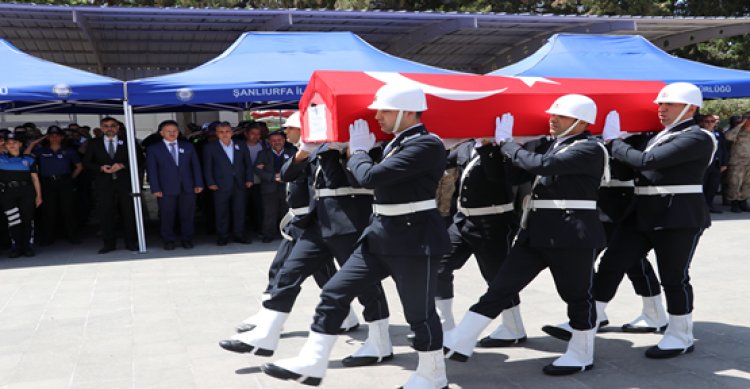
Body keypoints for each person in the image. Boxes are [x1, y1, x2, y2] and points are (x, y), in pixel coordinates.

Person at [261, 83, 450, 388]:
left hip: (415, 240)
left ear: (409, 112)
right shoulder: (396, 143)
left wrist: (358, 152)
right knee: (334, 291)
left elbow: (370, 178)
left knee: (420, 313)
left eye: (385, 110)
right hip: (380, 235)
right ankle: (313, 359)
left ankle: (433, 375)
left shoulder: (427, 144)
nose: (377, 116)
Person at [444, 94, 607, 376]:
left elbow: (541, 166)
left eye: (561, 117)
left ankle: (582, 353)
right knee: (501, 287)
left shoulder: (590, 148)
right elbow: (513, 177)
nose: (552, 120)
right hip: (536, 232)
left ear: (581, 122)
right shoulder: (550, 145)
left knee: (577, 295)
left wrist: (509, 144)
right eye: (552, 115)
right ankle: (461, 339)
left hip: (572, 234)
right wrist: (488, 147)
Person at [221, 132, 388, 369]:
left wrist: (354, 151)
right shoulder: (320, 146)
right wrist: (304, 151)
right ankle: (267, 333)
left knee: (366, 286)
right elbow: (288, 174)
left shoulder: (367, 145)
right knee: (288, 272)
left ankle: (381, 342)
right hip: (318, 221)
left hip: (350, 221)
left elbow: (361, 180)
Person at [595, 82, 715, 359]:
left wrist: (616, 142)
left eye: (669, 104)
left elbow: (648, 161)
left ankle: (680, 334)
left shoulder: (697, 137)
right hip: (643, 212)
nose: (661, 110)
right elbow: (634, 165)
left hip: (679, 216)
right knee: (612, 262)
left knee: (674, 277)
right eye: (660, 104)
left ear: (691, 108)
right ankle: (589, 318)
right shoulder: (660, 135)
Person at [232, 113, 354, 335]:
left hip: (309, 223)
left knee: (285, 270)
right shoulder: (302, 153)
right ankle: (345, 315)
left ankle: (269, 316)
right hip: (301, 222)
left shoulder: (317, 155)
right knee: (314, 271)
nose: (284, 132)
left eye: (290, 127)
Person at [434, 138, 525, 348]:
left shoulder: (504, 146)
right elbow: (444, 162)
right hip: (463, 220)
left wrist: (489, 146)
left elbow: (497, 177)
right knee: (440, 265)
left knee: (497, 277)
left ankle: (514, 327)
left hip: (492, 221)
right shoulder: (466, 145)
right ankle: (444, 326)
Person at [83, 117, 143, 254]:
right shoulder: (94, 143)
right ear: (101, 128)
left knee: (128, 214)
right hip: (104, 184)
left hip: (125, 183)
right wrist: (100, 168)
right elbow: (87, 163)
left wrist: (123, 165)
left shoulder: (128, 142)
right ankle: (109, 244)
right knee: (106, 214)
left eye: (112, 126)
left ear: (117, 128)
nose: (109, 128)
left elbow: (140, 159)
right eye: (106, 126)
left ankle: (131, 242)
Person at [145, 120, 204, 250]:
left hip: (187, 187)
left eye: (175, 131)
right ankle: (168, 240)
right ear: (161, 133)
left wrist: (199, 183)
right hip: (165, 188)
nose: (172, 133)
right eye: (169, 131)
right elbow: (152, 170)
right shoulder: (154, 149)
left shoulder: (188, 146)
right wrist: (155, 188)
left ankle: (187, 239)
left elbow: (196, 166)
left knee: (187, 215)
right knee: (167, 215)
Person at [25, 125, 83, 245]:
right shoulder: (41, 151)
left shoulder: (69, 151)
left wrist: (71, 178)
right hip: (48, 183)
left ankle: (73, 236)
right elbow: (26, 155)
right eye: (51, 136)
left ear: (62, 137)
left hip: (65, 181)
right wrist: (36, 142)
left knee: (68, 210)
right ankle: (48, 238)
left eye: (57, 136)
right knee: (49, 211)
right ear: (48, 137)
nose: (54, 138)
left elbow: (79, 167)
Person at [202, 122, 253, 245]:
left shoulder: (241, 145)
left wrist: (249, 179)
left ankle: (239, 235)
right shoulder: (210, 147)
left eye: (227, 131)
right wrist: (210, 182)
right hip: (220, 184)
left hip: (239, 184)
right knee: (221, 211)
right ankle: (222, 236)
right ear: (216, 133)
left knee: (239, 211)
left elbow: (248, 164)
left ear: (232, 132)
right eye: (221, 132)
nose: (224, 134)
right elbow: (207, 167)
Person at [0, 131, 42, 258]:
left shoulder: (29, 159)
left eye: (14, 143)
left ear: (20, 144)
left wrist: (39, 196)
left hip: (27, 192)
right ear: (5, 145)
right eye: (8, 143)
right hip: (8, 193)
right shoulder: (1, 158)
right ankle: (16, 247)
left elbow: (35, 179)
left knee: (27, 219)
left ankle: (28, 246)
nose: (12, 145)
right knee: (13, 220)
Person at [255, 130, 295, 242]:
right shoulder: (262, 153)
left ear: (284, 140)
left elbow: (296, 168)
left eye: (279, 140)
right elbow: (258, 170)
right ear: (269, 142)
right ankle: (268, 235)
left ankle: (288, 233)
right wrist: (273, 177)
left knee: (287, 211)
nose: (277, 142)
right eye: (273, 140)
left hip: (287, 186)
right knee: (269, 212)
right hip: (269, 187)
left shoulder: (292, 152)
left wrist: (284, 176)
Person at [699, 114, 728, 213]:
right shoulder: (699, 133)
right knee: (703, 185)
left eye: (712, 121)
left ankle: (709, 205)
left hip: (716, 164)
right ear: (702, 123)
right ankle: (701, 207)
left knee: (713, 186)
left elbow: (724, 149)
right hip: (704, 164)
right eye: (707, 121)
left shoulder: (718, 134)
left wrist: (724, 163)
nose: (709, 124)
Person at [243, 123, 267, 236]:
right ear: (246, 134)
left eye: (258, 134)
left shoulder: (264, 145)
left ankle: (260, 229)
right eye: (253, 133)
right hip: (244, 182)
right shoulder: (240, 146)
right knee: (243, 207)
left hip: (260, 182)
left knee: (259, 207)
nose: (256, 136)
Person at [723, 113, 750, 212]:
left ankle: (743, 201)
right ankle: (734, 203)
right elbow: (728, 137)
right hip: (738, 162)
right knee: (735, 183)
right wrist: (740, 125)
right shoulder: (738, 131)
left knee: (747, 183)